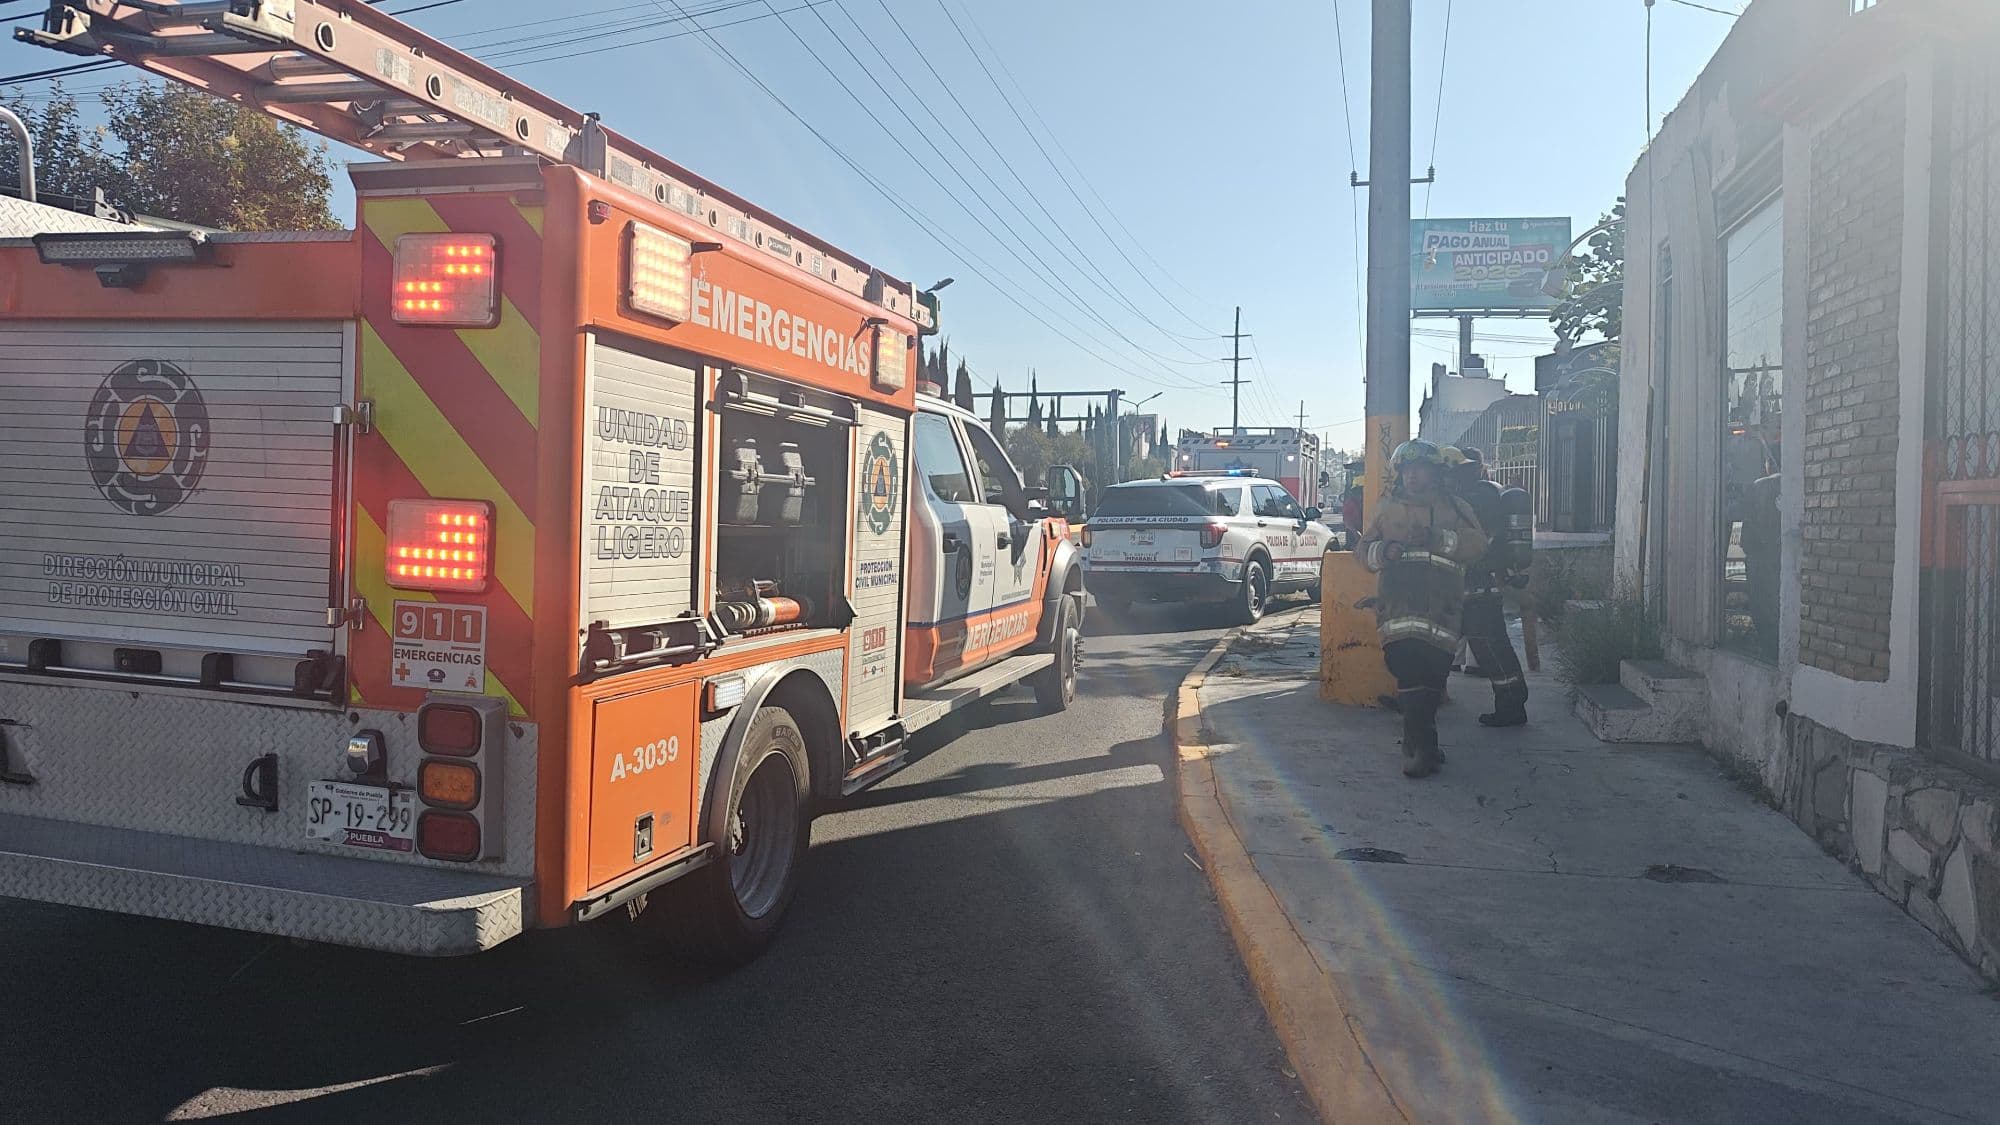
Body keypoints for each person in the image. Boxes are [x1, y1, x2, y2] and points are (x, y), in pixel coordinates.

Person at [1360, 440, 1489, 778]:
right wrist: (1384, 551)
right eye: (1407, 470)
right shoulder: (1387, 508)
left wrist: (1438, 538)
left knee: (1433, 676)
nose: (1412, 476)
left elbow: (1477, 546)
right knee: (1407, 669)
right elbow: (1364, 550)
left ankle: (1418, 740)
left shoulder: (1456, 508)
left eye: (1420, 469)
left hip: (1442, 611)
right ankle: (1423, 750)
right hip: (1399, 608)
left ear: (1436, 474)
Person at [1446, 447, 1530, 727]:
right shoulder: (1484, 492)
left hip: (1479, 584)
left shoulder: (1478, 496)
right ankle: (1419, 696)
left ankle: (1512, 705)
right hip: (1472, 584)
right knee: (1443, 644)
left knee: (1490, 648)